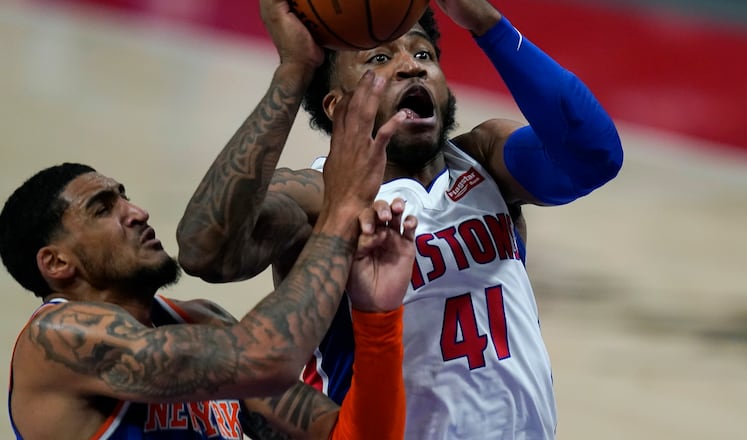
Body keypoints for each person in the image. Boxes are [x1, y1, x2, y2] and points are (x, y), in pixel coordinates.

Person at [178, 0, 624, 438]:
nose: (412, 66)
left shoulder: (487, 160)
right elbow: (206, 251)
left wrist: (487, 24)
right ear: (337, 106)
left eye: (423, 53)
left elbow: (595, 156)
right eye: (379, 57)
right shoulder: (321, 196)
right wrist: (293, 74)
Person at [1, 71, 417, 439]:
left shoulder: (204, 321)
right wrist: (340, 212)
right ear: (56, 263)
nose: (136, 212)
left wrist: (378, 316)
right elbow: (267, 357)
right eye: (102, 208)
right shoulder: (56, 337)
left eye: (124, 197)